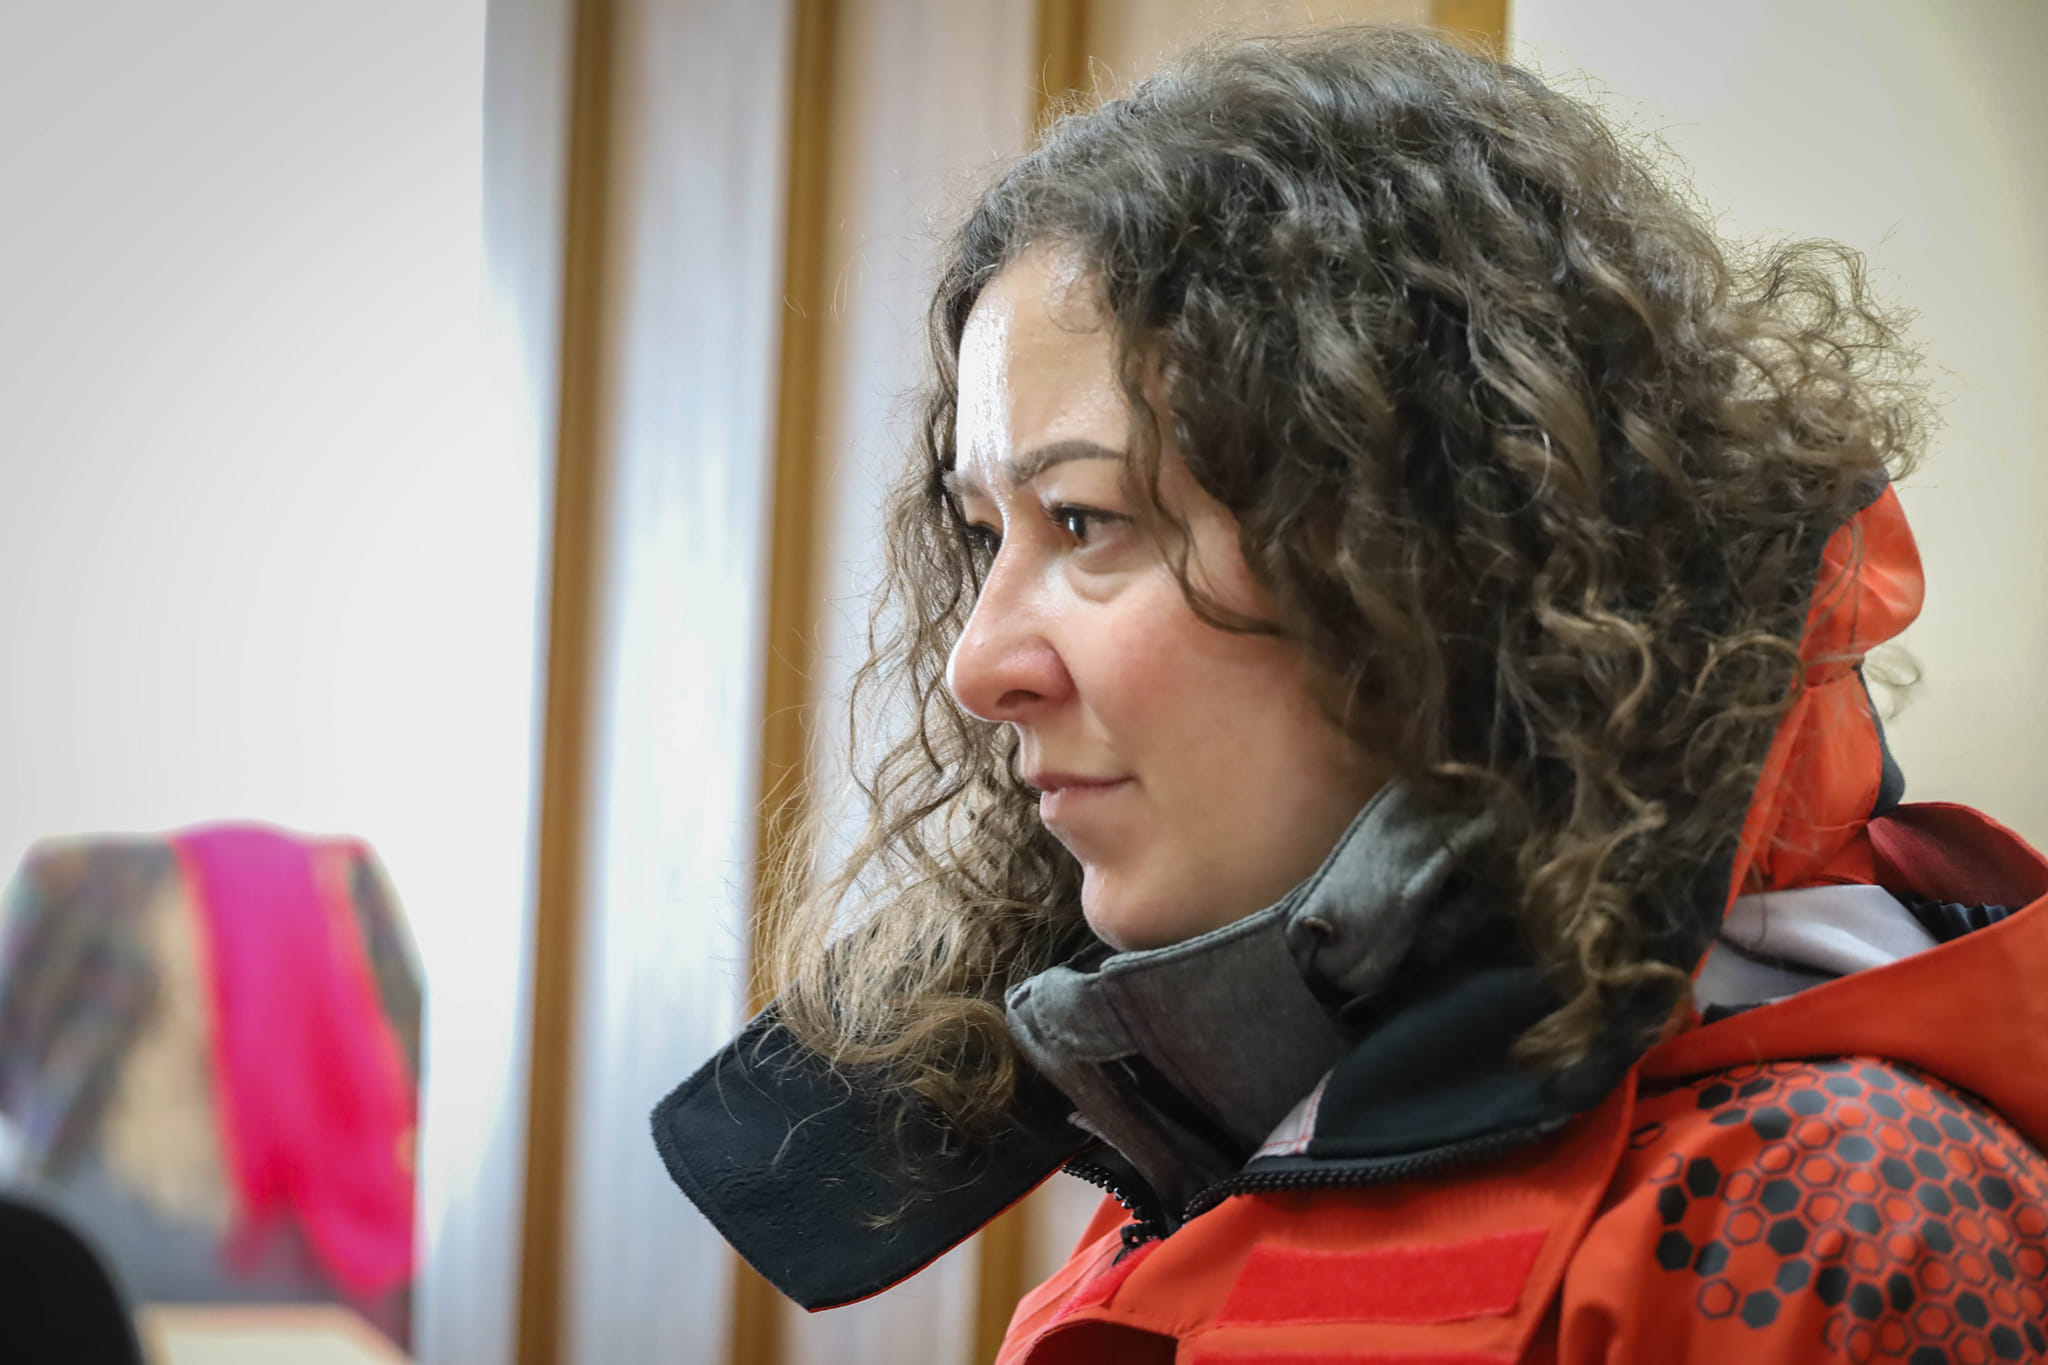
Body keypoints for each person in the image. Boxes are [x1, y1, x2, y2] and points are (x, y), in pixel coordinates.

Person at [652, 26, 2048, 1364]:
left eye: (1085, 520)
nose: (977, 664)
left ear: (1443, 556)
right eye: (981, 533)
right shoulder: (1230, 1159)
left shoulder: (1852, 1219)